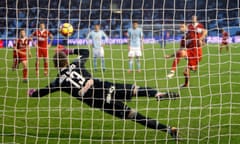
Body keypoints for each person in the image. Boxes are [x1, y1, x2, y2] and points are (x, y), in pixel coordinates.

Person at [28, 48, 180, 140]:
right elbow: (85, 52)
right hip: (105, 87)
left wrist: (32, 92)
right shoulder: (76, 63)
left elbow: (41, 93)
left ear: (55, 65)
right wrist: (70, 51)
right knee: (134, 89)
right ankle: (157, 94)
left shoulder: (58, 82)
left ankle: (168, 130)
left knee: (133, 115)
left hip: (99, 101)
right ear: (66, 61)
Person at [181, 15, 208, 88]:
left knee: (186, 70)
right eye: (192, 18)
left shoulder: (199, 26)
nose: (193, 19)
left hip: (196, 50)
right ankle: (186, 83)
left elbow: (205, 32)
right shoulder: (189, 26)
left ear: (196, 19)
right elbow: (186, 33)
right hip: (190, 49)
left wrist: (201, 39)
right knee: (187, 69)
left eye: (194, 18)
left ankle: (193, 68)